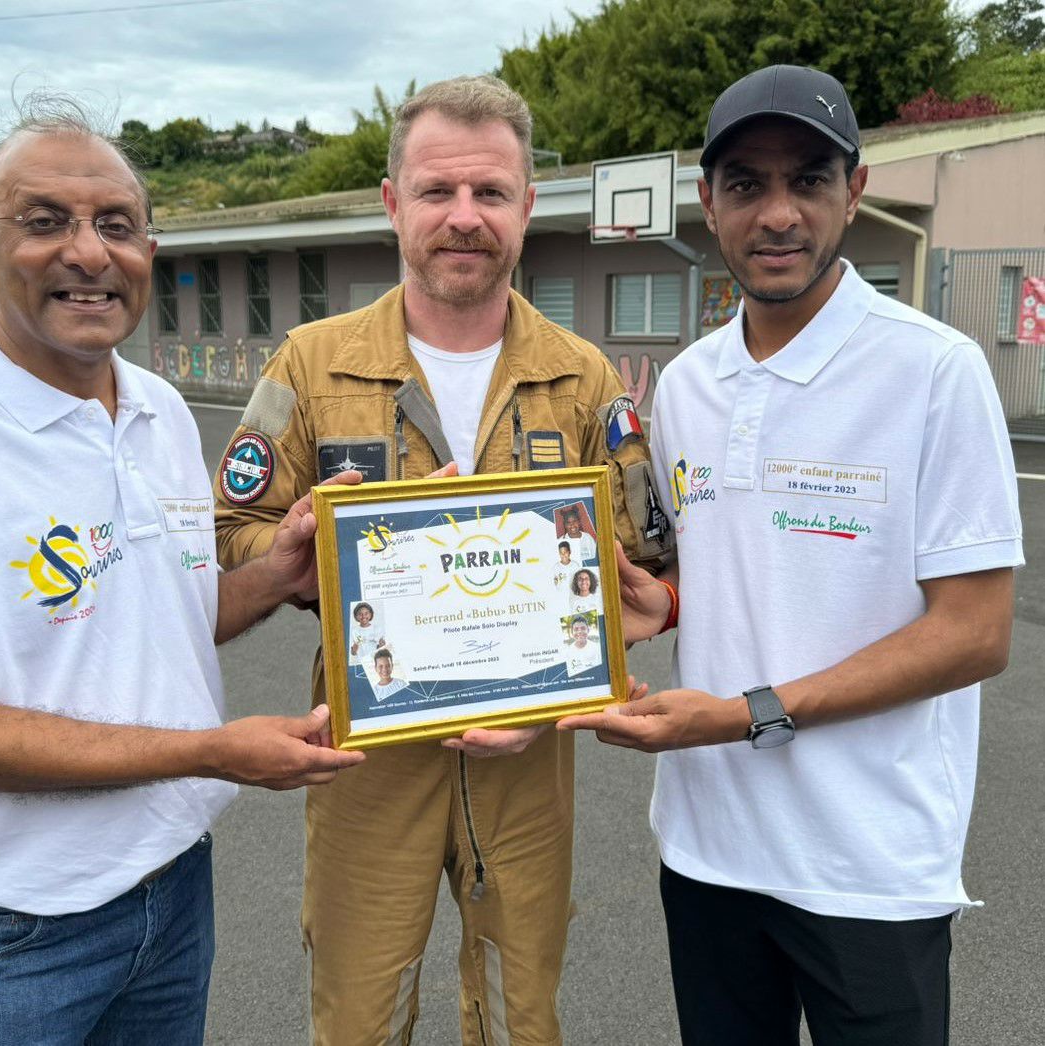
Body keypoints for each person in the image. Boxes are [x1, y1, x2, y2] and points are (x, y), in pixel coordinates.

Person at [0, 98, 364, 1046]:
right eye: (46, 221)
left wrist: (275, 572)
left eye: (117, 225)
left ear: (149, 250)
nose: (90, 253)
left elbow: (164, 618)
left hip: (169, 890)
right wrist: (210, 751)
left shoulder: (158, 411)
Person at [560, 65, 1022, 1046]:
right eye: (745, 184)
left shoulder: (933, 371)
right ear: (706, 203)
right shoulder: (687, 384)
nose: (777, 214)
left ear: (853, 191)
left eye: (807, 179)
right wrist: (666, 603)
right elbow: (722, 566)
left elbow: (974, 634)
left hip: (869, 865)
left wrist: (745, 713)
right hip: (708, 849)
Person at [214, 75, 672, 1044]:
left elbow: (641, 567)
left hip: (526, 757)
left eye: (489, 193)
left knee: (521, 1013)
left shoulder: (584, 376)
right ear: (391, 202)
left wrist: (586, 663)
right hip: (365, 750)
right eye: (436, 191)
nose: (463, 217)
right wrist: (293, 553)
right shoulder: (307, 362)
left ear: (525, 207)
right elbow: (227, 538)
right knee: (358, 1012)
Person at [349, 600, 386, 665]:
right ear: (356, 616)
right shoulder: (355, 631)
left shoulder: (376, 629)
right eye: (360, 614)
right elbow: (353, 652)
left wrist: (381, 646)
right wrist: (354, 650)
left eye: (366, 613)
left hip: (374, 660)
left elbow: (379, 647)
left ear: (371, 614)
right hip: (361, 661)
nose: (363, 616)